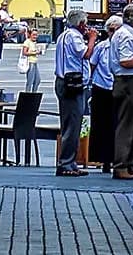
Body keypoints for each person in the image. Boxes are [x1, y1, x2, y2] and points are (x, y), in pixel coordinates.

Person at [109, 2, 133, 180]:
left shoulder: (126, 34)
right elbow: (125, 61)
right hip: (127, 83)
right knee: (126, 125)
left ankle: (130, 164)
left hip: (130, 83)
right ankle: (121, 165)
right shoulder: (126, 35)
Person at [55, 10, 96, 177]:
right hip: (72, 83)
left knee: (71, 124)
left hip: (65, 81)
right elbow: (85, 54)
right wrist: (92, 39)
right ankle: (66, 163)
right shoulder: (74, 37)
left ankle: (70, 162)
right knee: (73, 125)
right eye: (85, 24)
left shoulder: (63, 36)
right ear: (80, 24)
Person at [88, 17, 121, 172]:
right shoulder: (102, 46)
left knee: (116, 124)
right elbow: (92, 64)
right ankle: (102, 159)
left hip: (117, 87)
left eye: (116, 30)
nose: (113, 33)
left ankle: (115, 158)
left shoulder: (122, 46)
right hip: (101, 86)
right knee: (100, 125)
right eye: (111, 30)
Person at [21, 27, 42, 93]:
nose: (35, 36)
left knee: (37, 80)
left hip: (35, 62)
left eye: (36, 35)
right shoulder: (27, 42)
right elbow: (24, 52)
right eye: (34, 35)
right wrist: (35, 53)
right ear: (30, 35)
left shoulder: (34, 42)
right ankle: (27, 94)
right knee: (30, 81)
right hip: (30, 62)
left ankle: (34, 93)